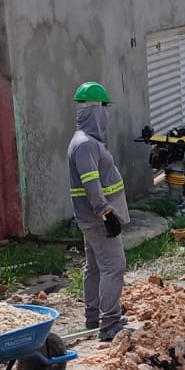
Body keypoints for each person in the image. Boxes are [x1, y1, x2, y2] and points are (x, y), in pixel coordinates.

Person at [67, 81, 131, 341]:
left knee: (94, 267)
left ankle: (93, 317)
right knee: (114, 266)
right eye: (104, 107)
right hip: (97, 219)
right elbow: (91, 183)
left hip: (90, 218)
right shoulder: (85, 145)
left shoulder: (86, 142)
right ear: (96, 110)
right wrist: (106, 214)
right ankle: (109, 322)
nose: (107, 113)